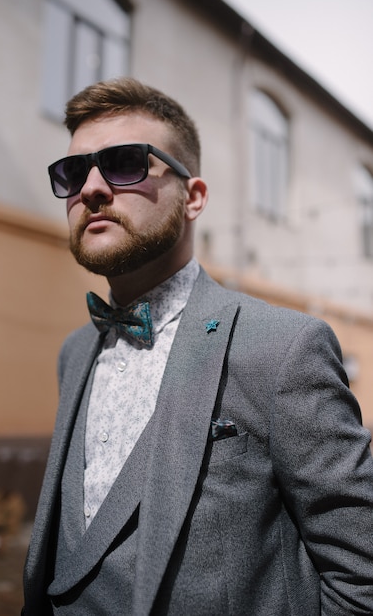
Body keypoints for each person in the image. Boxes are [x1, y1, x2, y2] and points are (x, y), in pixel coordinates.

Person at [22, 77, 373, 616]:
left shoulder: (281, 348)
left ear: (194, 197)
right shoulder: (76, 352)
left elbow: (362, 575)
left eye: (124, 163)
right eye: (72, 172)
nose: (91, 188)